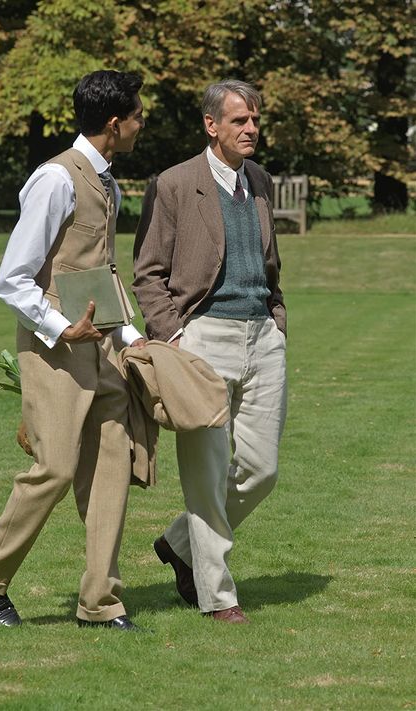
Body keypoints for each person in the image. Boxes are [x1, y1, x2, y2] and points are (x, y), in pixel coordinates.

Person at [0, 70, 146, 631]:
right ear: (114, 124)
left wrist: (135, 342)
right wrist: (62, 328)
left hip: (106, 347)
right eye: (138, 116)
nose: (143, 124)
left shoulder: (108, 183)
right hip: (55, 351)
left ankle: (101, 604)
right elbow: (13, 279)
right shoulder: (55, 180)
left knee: (112, 470)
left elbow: (101, 272)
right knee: (57, 467)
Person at [133, 79, 287, 624]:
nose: (250, 130)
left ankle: (179, 543)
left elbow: (270, 265)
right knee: (206, 474)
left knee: (260, 469)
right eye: (240, 121)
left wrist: (278, 320)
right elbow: (147, 271)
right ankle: (218, 595)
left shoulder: (261, 182)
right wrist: (173, 337)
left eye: (255, 120)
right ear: (211, 125)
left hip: (262, 338)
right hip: (201, 339)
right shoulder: (174, 185)